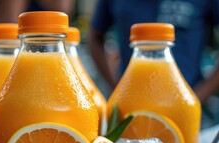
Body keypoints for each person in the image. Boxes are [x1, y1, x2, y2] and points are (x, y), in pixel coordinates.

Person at [88, 0, 219, 103]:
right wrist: (115, 88)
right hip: (131, 102)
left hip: (186, 99)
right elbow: (95, 36)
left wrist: (196, 98)